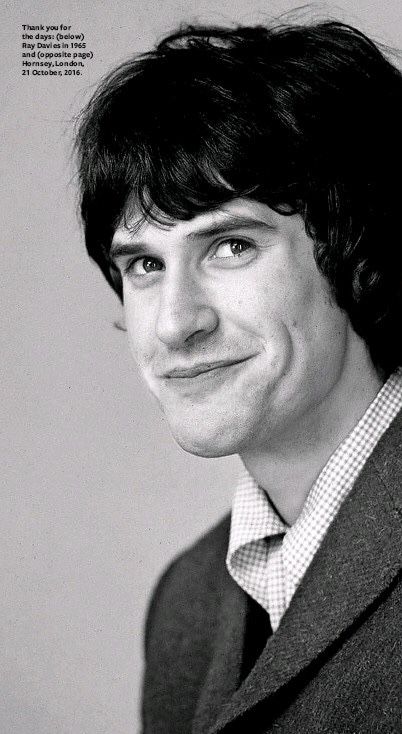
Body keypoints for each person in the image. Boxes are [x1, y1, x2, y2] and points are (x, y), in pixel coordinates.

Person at [75, 19, 402, 733]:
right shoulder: (185, 605)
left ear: (357, 248)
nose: (173, 323)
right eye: (145, 265)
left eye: (229, 245)